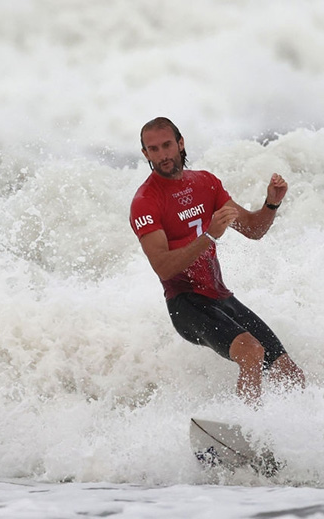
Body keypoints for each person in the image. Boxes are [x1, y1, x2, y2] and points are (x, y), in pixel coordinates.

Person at [130, 117, 305, 404]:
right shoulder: (145, 201)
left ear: (180, 143)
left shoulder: (205, 183)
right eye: (154, 149)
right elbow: (162, 266)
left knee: (290, 374)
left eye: (167, 145)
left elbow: (253, 229)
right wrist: (209, 236)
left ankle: (295, 435)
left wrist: (271, 203)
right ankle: (248, 433)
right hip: (186, 305)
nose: (162, 155)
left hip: (221, 298)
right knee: (251, 352)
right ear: (145, 154)